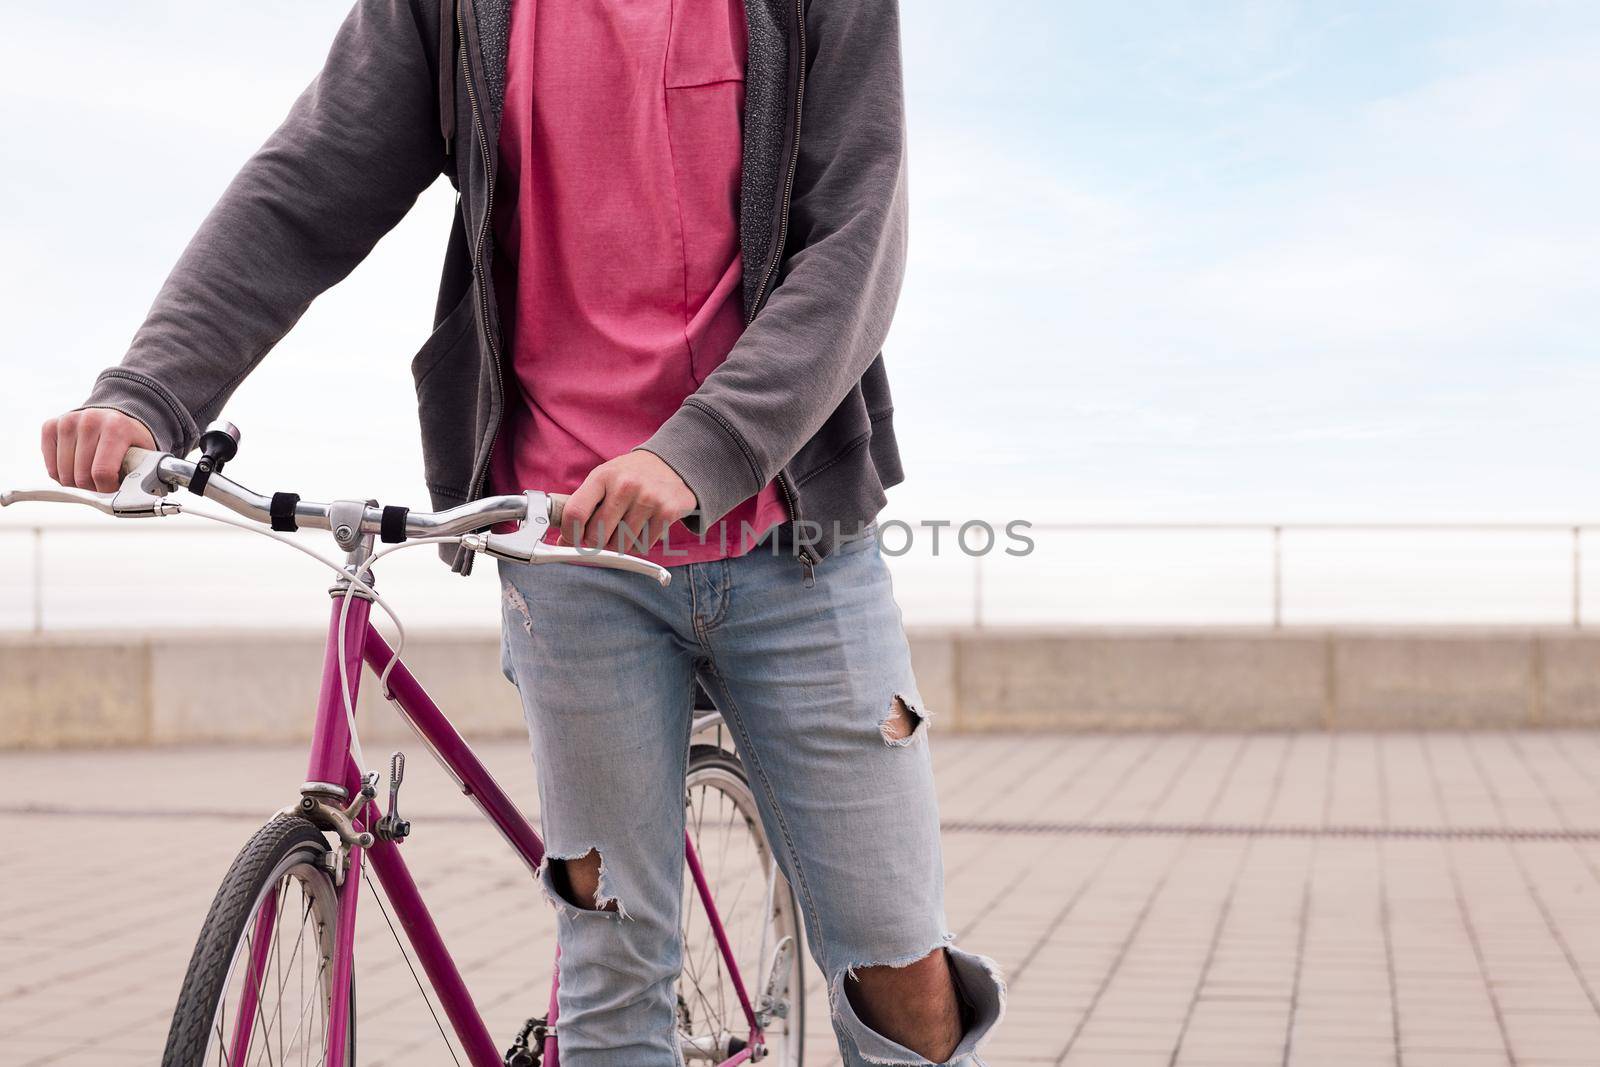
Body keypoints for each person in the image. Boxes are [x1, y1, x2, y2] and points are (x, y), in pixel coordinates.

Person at [39, 1, 1003, 1062]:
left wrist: (699, 451)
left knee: (895, 967)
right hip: (562, 548)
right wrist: (149, 390)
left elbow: (855, 244)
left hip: (791, 548)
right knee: (612, 973)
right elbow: (303, 190)